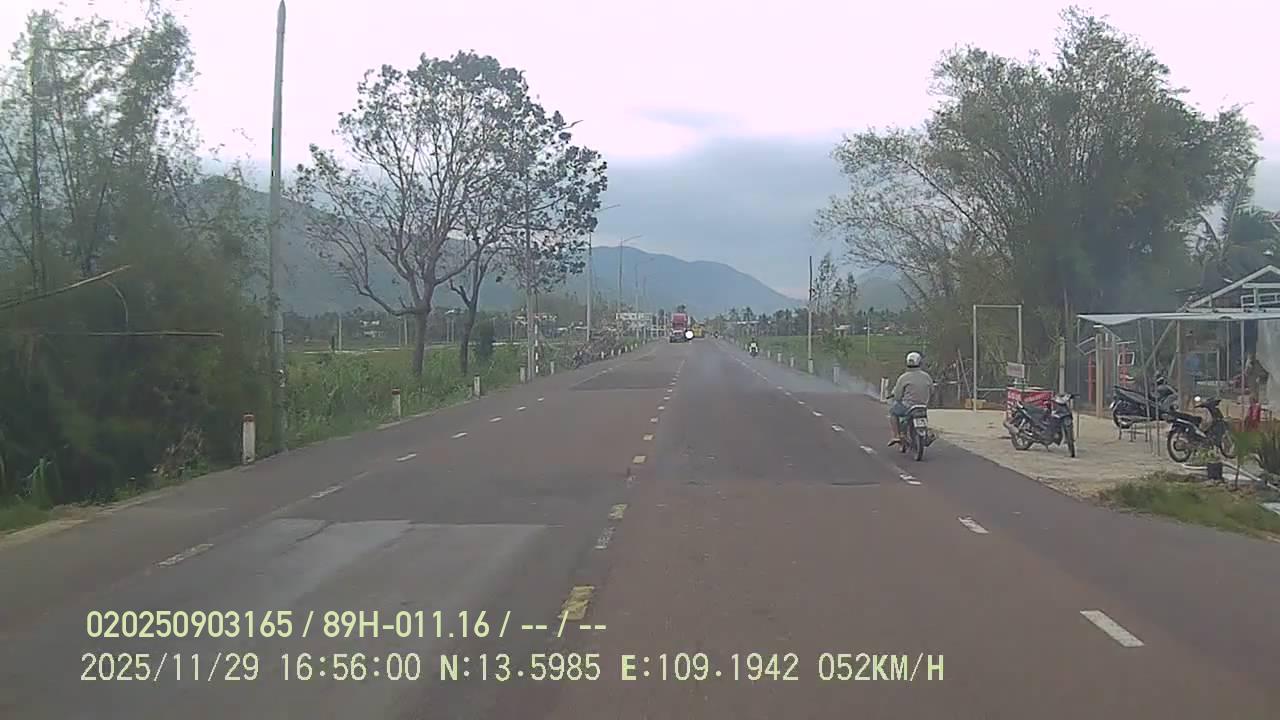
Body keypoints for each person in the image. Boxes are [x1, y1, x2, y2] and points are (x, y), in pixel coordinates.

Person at [888, 351, 933, 446]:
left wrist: (897, 398)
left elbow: (897, 395)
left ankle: (896, 436)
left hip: (908, 406)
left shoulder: (903, 377)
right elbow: (932, 390)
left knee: (893, 412)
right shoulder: (927, 376)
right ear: (920, 362)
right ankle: (926, 435)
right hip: (923, 405)